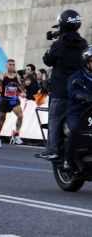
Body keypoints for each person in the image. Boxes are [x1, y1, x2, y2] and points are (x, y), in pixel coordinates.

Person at [38, 10, 88, 160]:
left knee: (54, 119)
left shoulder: (58, 45)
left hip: (61, 91)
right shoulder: (84, 44)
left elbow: (47, 60)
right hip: (80, 90)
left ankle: (52, 149)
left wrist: (53, 43)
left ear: (62, 24)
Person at [65, 46, 92, 171]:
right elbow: (73, 91)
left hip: (91, 112)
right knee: (76, 130)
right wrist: (83, 96)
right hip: (78, 111)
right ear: (86, 62)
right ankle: (68, 160)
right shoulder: (77, 76)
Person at [0, 59, 24, 148]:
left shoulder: (17, 76)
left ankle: (16, 134)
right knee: (2, 120)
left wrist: (22, 91)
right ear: (6, 66)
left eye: (13, 64)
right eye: (10, 64)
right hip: (4, 100)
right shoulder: (2, 76)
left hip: (13, 99)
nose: (12, 66)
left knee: (20, 116)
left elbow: (20, 86)